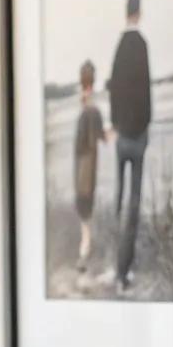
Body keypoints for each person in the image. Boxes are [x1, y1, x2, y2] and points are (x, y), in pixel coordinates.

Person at [108, 0, 152, 294]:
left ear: (126, 11)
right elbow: (145, 93)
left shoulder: (119, 46)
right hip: (137, 138)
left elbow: (113, 89)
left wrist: (116, 124)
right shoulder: (142, 45)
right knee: (133, 205)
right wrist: (144, 126)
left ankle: (115, 262)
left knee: (119, 198)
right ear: (140, 11)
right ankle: (123, 273)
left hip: (121, 136)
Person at [72, 60, 105, 273]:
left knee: (84, 211)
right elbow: (99, 136)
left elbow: (88, 138)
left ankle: (84, 255)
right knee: (86, 211)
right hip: (87, 164)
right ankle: (85, 255)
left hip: (82, 164)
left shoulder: (86, 106)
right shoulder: (92, 107)